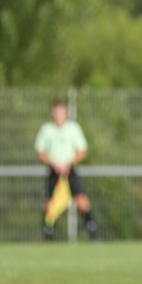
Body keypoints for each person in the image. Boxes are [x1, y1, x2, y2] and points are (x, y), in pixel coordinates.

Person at [35, 99, 97, 240]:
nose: (58, 115)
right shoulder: (46, 129)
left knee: (81, 199)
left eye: (61, 112)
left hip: (70, 169)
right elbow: (40, 152)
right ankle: (48, 231)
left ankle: (92, 227)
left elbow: (82, 151)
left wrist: (68, 164)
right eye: (56, 112)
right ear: (52, 113)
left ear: (66, 112)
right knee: (49, 202)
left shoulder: (73, 128)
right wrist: (54, 164)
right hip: (53, 170)